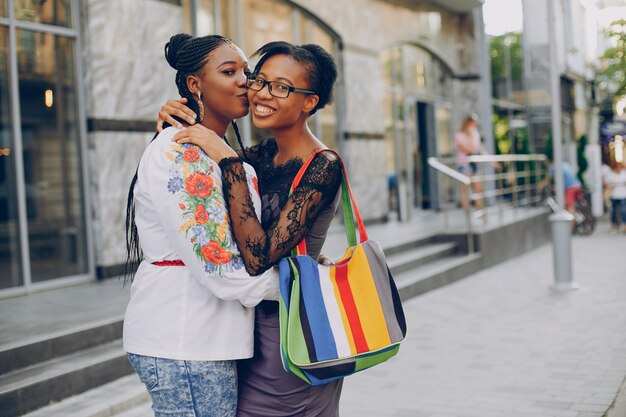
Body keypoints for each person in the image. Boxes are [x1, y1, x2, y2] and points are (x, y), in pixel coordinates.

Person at [160, 41, 343, 416]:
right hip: (245, 332)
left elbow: (259, 257)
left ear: (309, 101)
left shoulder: (322, 166)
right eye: (260, 81)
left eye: (282, 87)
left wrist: (228, 159)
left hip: (294, 339)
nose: (261, 93)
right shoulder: (258, 156)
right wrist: (172, 117)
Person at [123, 33, 280, 417]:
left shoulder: (219, 152)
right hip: (186, 339)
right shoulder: (183, 151)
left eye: (246, 71)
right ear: (195, 84)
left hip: (202, 338)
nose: (245, 80)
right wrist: (300, 287)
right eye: (229, 71)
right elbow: (220, 264)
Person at [454, 114, 496, 211]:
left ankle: (481, 211)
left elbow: (480, 149)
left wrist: (491, 161)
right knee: (464, 190)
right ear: (468, 122)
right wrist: (469, 136)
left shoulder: (475, 133)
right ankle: (467, 213)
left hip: (475, 165)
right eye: (473, 123)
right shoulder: (460, 135)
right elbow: (469, 149)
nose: (474, 125)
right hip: (464, 165)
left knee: (478, 189)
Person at [603, 160, 626, 234]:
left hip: (623, 195)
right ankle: (614, 225)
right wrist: (611, 186)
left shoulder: (624, 173)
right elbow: (606, 183)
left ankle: (624, 226)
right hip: (614, 195)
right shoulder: (611, 174)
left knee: (624, 211)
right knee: (613, 211)